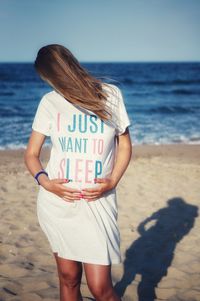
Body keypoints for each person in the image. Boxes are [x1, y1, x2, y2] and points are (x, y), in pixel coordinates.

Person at [24, 44, 132, 301]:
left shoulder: (110, 95)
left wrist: (112, 182)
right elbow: (31, 155)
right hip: (57, 204)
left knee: (100, 288)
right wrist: (46, 183)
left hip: (97, 202)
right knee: (69, 278)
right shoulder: (49, 102)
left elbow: (125, 144)